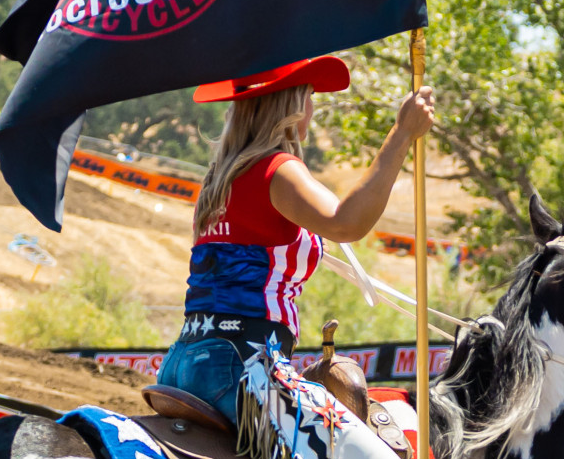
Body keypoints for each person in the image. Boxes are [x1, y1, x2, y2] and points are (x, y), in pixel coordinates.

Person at [155, 56, 431, 422]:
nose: (312, 108)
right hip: (242, 365)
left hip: (184, 361)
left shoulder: (218, 181)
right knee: (359, 451)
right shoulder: (278, 169)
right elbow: (346, 223)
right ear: (290, 103)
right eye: (309, 95)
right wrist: (402, 133)